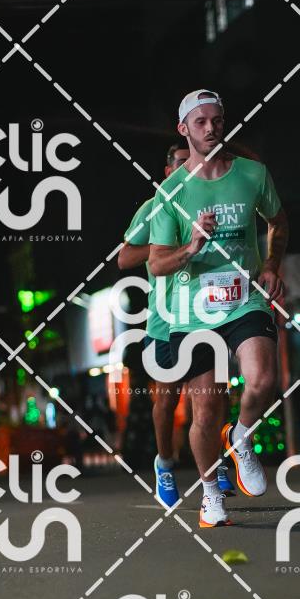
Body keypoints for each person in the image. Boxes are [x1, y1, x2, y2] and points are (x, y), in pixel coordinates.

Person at [149, 90, 288, 528]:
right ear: (184, 129)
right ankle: (211, 493)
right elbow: (155, 263)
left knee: (263, 380)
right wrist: (191, 247)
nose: (211, 128)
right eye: (201, 122)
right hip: (193, 313)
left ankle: (242, 435)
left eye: (217, 120)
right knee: (206, 412)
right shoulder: (170, 192)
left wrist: (271, 264)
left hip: (244, 298)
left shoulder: (252, 174)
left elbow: (278, 222)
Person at [118, 143, 235, 508]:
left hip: (207, 315)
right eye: (183, 163)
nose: (192, 167)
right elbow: (124, 257)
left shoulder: (213, 200)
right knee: (167, 400)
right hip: (164, 320)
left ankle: (216, 463)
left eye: (195, 161)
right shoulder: (155, 206)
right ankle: (165, 463)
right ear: (169, 172)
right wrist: (174, 243)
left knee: (216, 396)